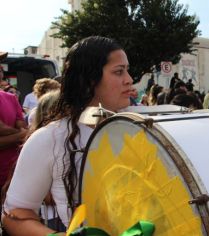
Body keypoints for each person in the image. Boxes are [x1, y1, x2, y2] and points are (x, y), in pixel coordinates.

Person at [2, 36, 133, 235]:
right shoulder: (50, 138)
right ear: (89, 80)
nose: (129, 80)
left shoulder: (138, 130)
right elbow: (15, 214)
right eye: (118, 71)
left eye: (127, 70)